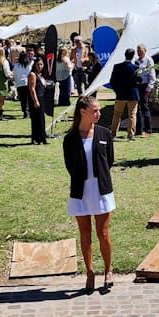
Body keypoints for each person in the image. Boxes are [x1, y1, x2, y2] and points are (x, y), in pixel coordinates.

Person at [63, 95, 115, 293]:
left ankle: (108, 270)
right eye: (95, 110)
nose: (99, 114)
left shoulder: (104, 133)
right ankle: (90, 272)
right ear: (83, 111)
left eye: (99, 110)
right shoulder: (70, 139)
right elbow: (70, 166)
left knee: (103, 232)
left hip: (101, 189)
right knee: (85, 233)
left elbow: (109, 160)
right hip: (80, 191)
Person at [108, 49, 140, 141]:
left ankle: (113, 133)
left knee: (117, 114)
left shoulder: (117, 67)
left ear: (125, 55)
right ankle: (131, 134)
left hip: (121, 94)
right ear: (133, 56)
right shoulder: (136, 68)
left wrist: (117, 91)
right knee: (132, 114)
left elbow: (112, 81)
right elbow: (140, 80)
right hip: (133, 94)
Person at [134, 44, 156, 137]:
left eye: (140, 50)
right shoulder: (136, 61)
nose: (139, 52)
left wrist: (149, 89)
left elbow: (152, 76)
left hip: (144, 86)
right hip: (137, 86)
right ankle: (138, 129)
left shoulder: (148, 60)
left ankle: (148, 129)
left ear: (145, 50)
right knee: (137, 108)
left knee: (144, 108)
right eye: (138, 50)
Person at [27, 59, 50, 145]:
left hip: (41, 97)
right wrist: (35, 101)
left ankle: (41, 138)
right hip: (36, 98)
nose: (40, 66)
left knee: (41, 119)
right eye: (38, 64)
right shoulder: (33, 74)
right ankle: (37, 138)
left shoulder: (40, 75)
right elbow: (32, 88)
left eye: (41, 64)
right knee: (37, 119)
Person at [13, 50, 34, 119]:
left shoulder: (16, 65)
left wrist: (16, 81)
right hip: (27, 83)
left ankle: (25, 111)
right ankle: (29, 111)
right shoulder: (29, 64)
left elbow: (15, 75)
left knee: (23, 99)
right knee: (29, 98)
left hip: (19, 83)